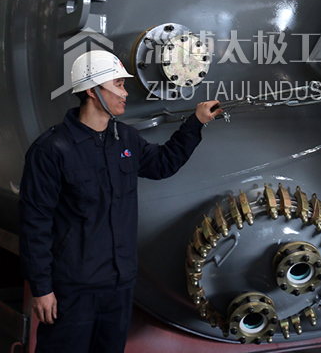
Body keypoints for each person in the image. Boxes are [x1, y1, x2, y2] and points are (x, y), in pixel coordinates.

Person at [19, 50, 221, 352]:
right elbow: (34, 223)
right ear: (92, 90)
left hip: (119, 284)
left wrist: (195, 123)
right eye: (118, 85)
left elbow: (163, 164)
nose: (125, 93)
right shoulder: (52, 149)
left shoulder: (125, 139)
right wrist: (41, 288)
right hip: (73, 287)